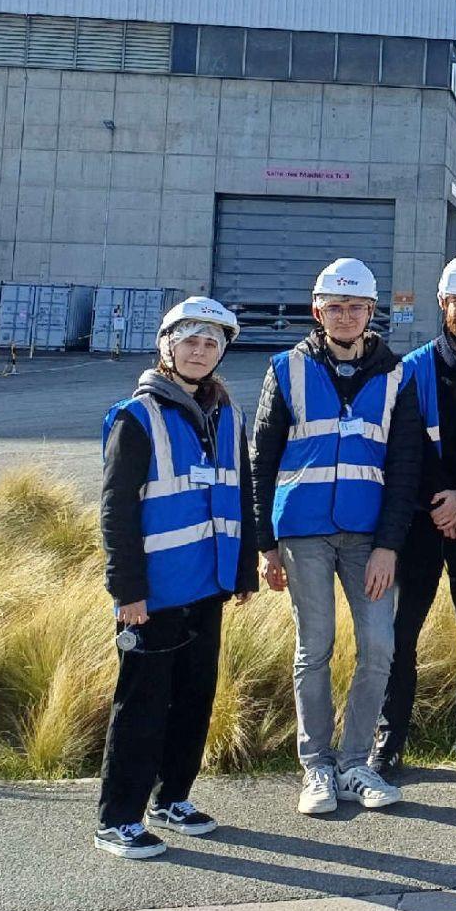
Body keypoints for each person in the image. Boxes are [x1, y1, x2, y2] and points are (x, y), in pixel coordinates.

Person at [252, 258, 422, 816]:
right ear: (318, 311)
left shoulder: (397, 376)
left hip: (368, 536)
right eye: (336, 306)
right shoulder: (286, 370)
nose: (346, 316)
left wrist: (389, 546)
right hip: (303, 533)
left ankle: (355, 763)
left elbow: (405, 470)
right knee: (315, 647)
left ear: (373, 312)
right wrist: (265, 544)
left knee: (379, 645)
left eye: (356, 307)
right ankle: (317, 767)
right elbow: (262, 460)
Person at [94, 298, 254, 859]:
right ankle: (117, 818)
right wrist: (127, 591)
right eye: (189, 340)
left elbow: (242, 496)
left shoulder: (227, 416)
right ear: (166, 346)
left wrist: (241, 572)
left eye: (211, 343)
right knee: (141, 704)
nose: (199, 350)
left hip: (206, 585)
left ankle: (172, 798)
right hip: (154, 594)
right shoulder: (136, 418)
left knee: (194, 698)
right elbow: (116, 512)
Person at [376, 253, 456, 784]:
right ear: (442, 302)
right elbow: (403, 450)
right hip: (422, 523)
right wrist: (440, 502)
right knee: (402, 632)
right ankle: (389, 737)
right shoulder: (412, 368)